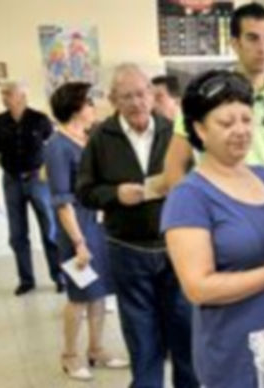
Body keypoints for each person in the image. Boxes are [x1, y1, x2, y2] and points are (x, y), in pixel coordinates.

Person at [161, 69, 264, 388]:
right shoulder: (189, 196)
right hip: (236, 356)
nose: (241, 130)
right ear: (200, 130)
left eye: (246, 119)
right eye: (226, 123)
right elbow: (198, 287)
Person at [76, 63, 198, 388]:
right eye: (127, 96)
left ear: (153, 95)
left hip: (175, 249)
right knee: (143, 340)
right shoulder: (101, 137)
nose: (136, 102)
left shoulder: (173, 131)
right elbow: (84, 192)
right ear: (114, 99)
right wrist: (115, 193)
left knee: (184, 334)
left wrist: (180, 184)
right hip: (127, 250)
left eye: (142, 94)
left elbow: (197, 179)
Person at [163, 3, 264, 198]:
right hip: (221, 208)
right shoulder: (205, 97)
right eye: (252, 38)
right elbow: (174, 164)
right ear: (235, 44)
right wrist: (189, 209)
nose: (262, 48)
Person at [45, 82, 128, 381]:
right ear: (76, 108)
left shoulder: (88, 138)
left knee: (99, 294)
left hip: (98, 225)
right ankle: (69, 356)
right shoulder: (56, 146)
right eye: (89, 103)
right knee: (79, 296)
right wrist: (79, 242)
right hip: (76, 230)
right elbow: (62, 201)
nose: (94, 107)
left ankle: (96, 350)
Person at [0, 81, 62, 295]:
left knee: (51, 231)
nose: (4, 97)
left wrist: (58, 182)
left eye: (8, 93)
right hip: (11, 182)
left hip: (39, 181)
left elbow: (55, 151)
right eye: (3, 94)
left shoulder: (40, 120)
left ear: (22, 96)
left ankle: (59, 276)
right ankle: (26, 280)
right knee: (17, 234)